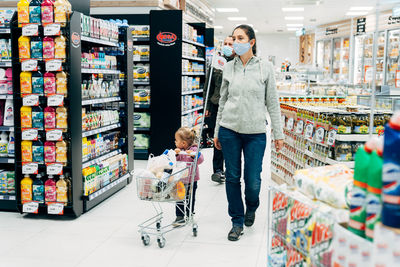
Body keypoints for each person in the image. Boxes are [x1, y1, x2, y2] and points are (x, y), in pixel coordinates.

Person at [213, 25, 284, 241]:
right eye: (233, 38)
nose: (235, 42)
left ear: (251, 42)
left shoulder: (265, 68)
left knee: (252, 179)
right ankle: (237, 221)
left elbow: (272, 102)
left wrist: (278, 134)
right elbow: (223, 101)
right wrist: (217, 131)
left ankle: (251, 207)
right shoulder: (228, 67)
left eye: (240, 38)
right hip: (229, 130)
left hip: (255, 133)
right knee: (233, 177)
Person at [204, 36, 235, 184]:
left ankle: (231, 169)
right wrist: (207, 107)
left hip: (233, 106)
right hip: (216, 105)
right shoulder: (216, 64)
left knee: (232, 139)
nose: (227, 46)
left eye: (231, 44)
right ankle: (217, 171)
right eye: (226, 44)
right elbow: (208, 87)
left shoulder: (238, 64)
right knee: (218, 138)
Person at [173, 127, 204, 227]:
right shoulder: (179, 150)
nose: (175, 142)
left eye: (176, 140)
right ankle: (179, 216)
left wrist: (194, 155)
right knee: (179, 197)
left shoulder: (194, 149)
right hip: (180, 179)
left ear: (183, 143)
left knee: (190, 197)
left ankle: (190, 212)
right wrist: (176, 154)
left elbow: (200, 160)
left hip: (192, 179)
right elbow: (174, 161)